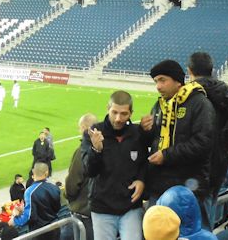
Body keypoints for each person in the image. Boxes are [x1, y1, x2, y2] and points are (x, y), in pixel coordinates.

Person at [140, 59, 216, 227]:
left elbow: (203, 143)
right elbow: (155, 139)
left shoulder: (199, 103)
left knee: (189, 234)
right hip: (159, 186)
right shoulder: (160, 105)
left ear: (177, 80)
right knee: (156, 235)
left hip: (188, 188)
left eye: (162, 80)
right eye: (156, 82)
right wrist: (146, 131)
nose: (158, 86)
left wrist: (166, 156)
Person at [82, 90, 147, 240]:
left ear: (131, 113)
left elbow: (144, 163)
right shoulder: (92, 134)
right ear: (108, 109)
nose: (118, 118)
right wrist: (96, 150)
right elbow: (89, 171)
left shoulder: (138, 134)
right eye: (114, 112)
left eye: (124, 114)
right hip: (102, 209)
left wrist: (141, 180)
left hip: (131, 207)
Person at [187, 52, 228, 227]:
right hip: (217, 163)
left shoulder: (188, 94)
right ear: (212, 70)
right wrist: (219, 147)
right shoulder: (225, 92)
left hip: (193, 165)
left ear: (189, 70)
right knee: (208, 208)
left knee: (189, 213)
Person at [64, 113, 97, 240]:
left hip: (84, 213)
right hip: (99, 212)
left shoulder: (82, 151)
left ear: (84, 128)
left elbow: (72, 184)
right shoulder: (107, 145)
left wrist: (69, 197)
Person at [10, 162, 61, 240]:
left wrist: (14, 221)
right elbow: (57, 208)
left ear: (33, 175)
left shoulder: (29, 192)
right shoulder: (54, 188)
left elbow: (28, 216)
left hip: (40, 232)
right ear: (46, 173)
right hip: (55, 228)